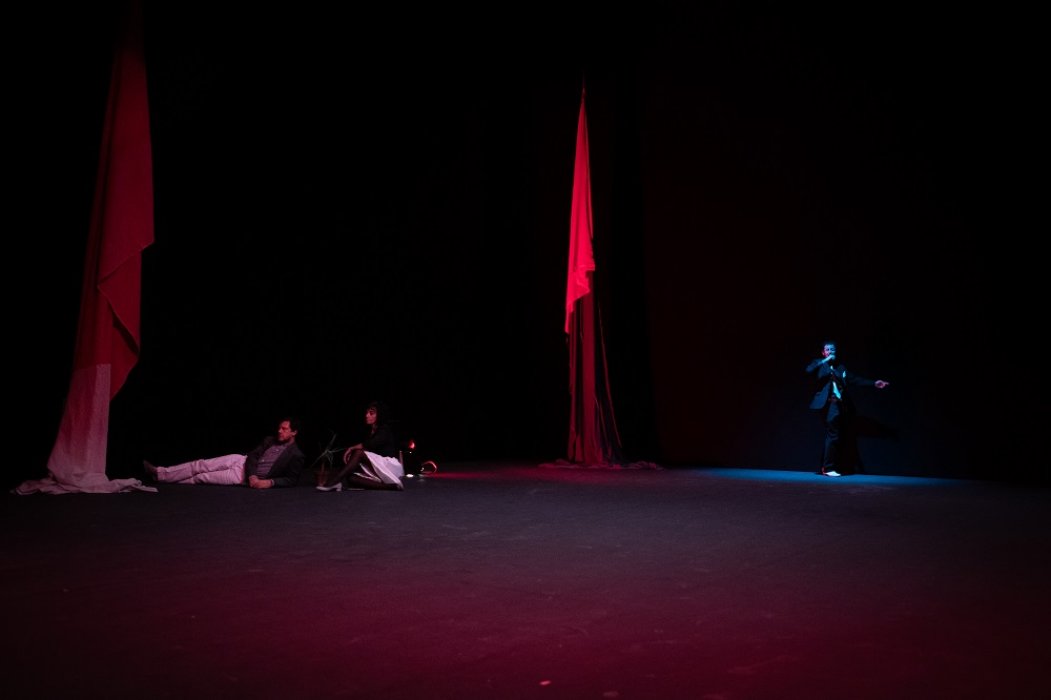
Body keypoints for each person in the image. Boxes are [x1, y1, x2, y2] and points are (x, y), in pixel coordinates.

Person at [143, 417, 305, 488]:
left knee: (201, 478)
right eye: (279, 427)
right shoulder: (270, 440)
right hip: (241, 461)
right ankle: (160, 473)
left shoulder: (296, 455)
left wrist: (270, 483)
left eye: (284, 429)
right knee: (201, 465)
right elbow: (253, 455)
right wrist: (253, 476)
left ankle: (166, 480)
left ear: (294, 432)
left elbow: (291, 480)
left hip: (239, 477)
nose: (279, 431)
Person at [806, 342, 889, 477]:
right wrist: (825, 361)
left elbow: (855, 379)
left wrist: (874, 383)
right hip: (827, 403)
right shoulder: (819, 364)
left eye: (832, 349)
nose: (830, 351)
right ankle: (827, 468)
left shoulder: (841, 367)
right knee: (833, 433)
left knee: (834, 434)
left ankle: (826, 467)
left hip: (838, 404)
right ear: (823, 353)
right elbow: (808, 370)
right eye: (827, 350)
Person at [317, 400, 404, 491]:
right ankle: (391, 487)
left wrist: (351, 448)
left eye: (371, 413)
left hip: (389, 466)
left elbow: (370, 444)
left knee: (359, 453)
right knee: (351, 478)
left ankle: (334, 482)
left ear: (380, 415)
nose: (367, 415)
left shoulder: (384, 429)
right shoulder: (369, 431)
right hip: (378, 467)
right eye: (367, 413)